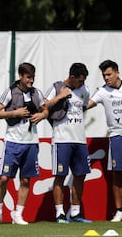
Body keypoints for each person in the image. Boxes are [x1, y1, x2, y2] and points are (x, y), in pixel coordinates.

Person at [0, 62, 48, 225]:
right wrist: (15, 112)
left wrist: (42, 116)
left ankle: (17, 214)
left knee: (26, 180)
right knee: (4, 178)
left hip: (31, 142)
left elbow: (45, 109)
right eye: (28, 77)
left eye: (33, 77)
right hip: (13, 142)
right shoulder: (10, 92)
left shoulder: (37, 93)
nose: (31, 81)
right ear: (20, 76)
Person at [87, 60, 122, 222]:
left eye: (109, 74)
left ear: (117, 73)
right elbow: (87, 104)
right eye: (104, 75)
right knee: (118, 175)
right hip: (117, 137)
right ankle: (119, 212)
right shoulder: (102, 91)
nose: (106, 78)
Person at [45, 63, 92, 224]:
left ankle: (75, 212)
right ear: (71, 77)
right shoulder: (57, 87)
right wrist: (59, 97)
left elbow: (82, 109)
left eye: (84, 80)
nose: (82, 83)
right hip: (61, 139)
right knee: (61, 175)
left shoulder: (85, 90)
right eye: (79, 80)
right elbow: (43, 107)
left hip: (80, 140)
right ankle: (60, 214)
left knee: (80, 175)